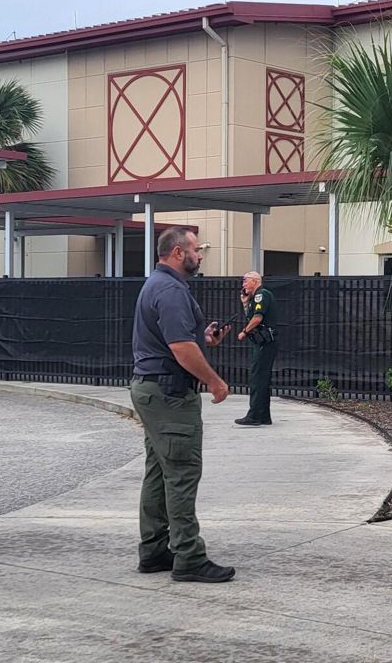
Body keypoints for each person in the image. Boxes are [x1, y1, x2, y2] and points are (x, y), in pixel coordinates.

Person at [131, 226, 236, 583]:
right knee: (181, 473)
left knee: (159, 472)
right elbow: (180, 348)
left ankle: (154, 550)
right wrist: (214, 381)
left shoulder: (156, 285)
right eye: (195, 249)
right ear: (178, 253)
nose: (200, 254)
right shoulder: (171, 290)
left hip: (153, 390)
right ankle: (188, 556)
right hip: (170, 394)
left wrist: (204, 337)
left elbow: (180, 340)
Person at [235, 271, 278, 427]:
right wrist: (245, 303)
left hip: (265, 342)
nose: (243, 284)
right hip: (263, 342)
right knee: (262, 378)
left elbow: (258, 318)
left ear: (255, 281)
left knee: (257, 378)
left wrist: (244, 332)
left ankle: (254, 416)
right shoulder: (255, 298)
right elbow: (251, 315)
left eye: (246, 281)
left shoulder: (262, 294)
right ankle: (264, 416)